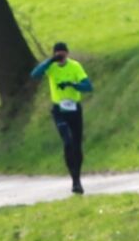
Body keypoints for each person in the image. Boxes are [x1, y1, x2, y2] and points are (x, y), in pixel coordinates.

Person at [30, 42, 94, 194]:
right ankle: (73, 179)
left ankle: (77, 180)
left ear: (67, 54)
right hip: (59, 110)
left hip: (74, 109)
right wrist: (50, 61)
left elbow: (88, 87)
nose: (60, 57)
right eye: (57, 54)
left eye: (62, 54)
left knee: (77, 145)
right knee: (68, 141)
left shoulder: (75, 66)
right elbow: (34, 74)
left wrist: (73, 84)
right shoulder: (50, 67)